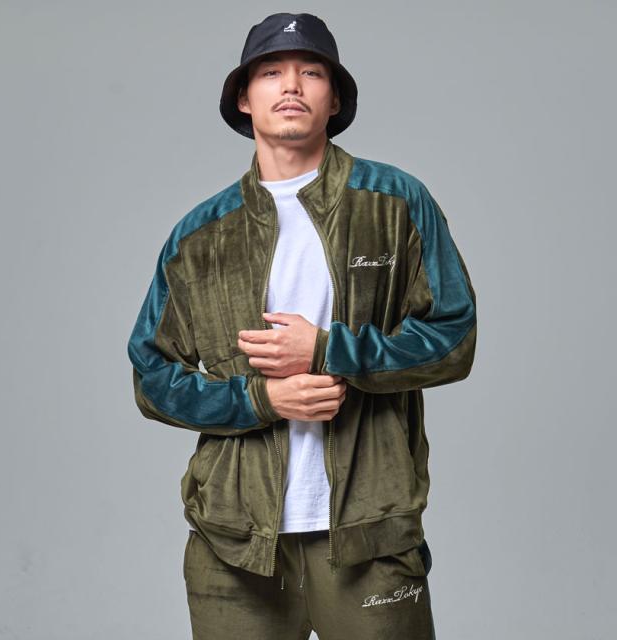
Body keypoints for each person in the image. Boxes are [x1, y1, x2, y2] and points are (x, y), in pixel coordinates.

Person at [127, 11, 476, 640]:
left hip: (371, 535)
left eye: (311, 72)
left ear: (334, 98)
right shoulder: (200, 235)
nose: (291, 85)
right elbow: (152, 377)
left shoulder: (394, 203)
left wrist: (326, 349)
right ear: (244, 97)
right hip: (233, 544)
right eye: (271, 72)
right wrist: (262, 399)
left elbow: (454, 337)